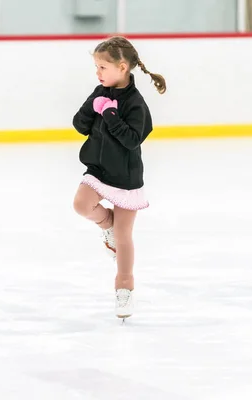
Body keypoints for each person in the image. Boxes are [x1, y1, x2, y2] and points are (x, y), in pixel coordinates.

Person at [72, 36, 166, 319]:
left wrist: (111, 114)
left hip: (125, 175)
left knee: (125, 238)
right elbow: (79, 125)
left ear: (122, 67)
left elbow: (132, 140)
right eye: (96, 67)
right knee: (81, 204)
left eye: (102, 67)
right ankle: (106, 226)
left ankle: (124, 289)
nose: (98, 73)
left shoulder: (136, 105)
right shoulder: (100, 90)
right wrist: (93, 106)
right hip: (99, 169)